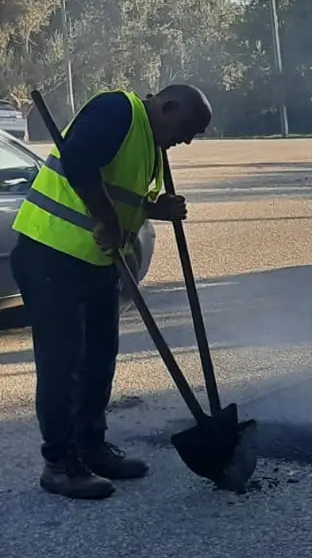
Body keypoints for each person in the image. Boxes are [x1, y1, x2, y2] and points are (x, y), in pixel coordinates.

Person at [11, 84, 212, 500]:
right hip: (51, 256)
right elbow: (79, 161)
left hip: (98, 262)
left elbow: (120, 194)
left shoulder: (151, 144)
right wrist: (104, 218)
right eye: (188, 127)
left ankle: (91, 447)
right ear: (168, 105)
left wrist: (157, 208)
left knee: (99, 358)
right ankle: (60, 464)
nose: (187, 139)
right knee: (62, 363)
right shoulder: (116, 109)